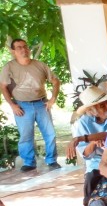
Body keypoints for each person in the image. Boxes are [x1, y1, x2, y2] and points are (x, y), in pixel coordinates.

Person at [0, 38, 61, 171]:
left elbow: (56, 81)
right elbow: (3, 86)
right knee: (26, 135)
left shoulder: (40, 65)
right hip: (22, 106)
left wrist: (52, 99)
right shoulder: (9, 67)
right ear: (13, 51)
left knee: (50, 134)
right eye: (19, 47)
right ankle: (29, 162)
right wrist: (12, 105)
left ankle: (51, 160)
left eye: (25, 46)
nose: (23, 49)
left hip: (41, 103)